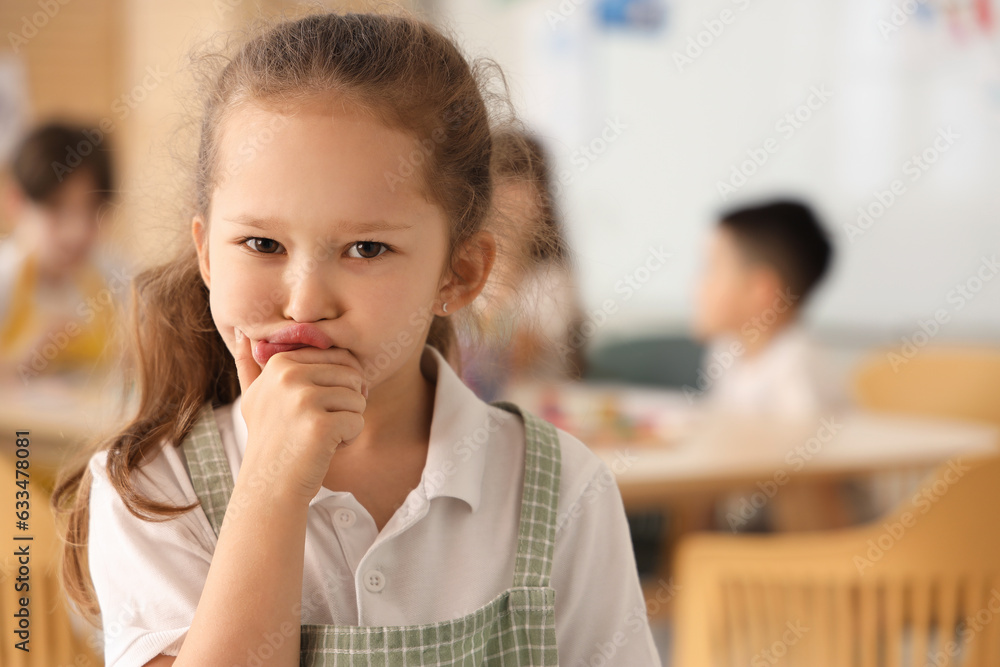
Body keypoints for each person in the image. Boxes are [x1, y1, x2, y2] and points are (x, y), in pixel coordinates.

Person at [51, 11, 661, 667]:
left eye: (366, 248)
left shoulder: (562, 489)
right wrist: (271, 486)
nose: (306, 298)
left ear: (458, 274)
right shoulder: (151, 487)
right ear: (207, 255)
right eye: (262, 243)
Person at [458, 130, 586, 401]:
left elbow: (508, 359)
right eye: (499, 179)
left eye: (519, 180)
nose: (506, 193)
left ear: (542, 200)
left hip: (539, 408)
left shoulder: (553, 281)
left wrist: (508, 257)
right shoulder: (463, 272)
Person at [691, 199, 842, 416]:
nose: (698, 288)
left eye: (712, 269)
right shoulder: (726, 351)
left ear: (759, 291)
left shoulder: (799, 371)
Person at [0, 122, 123, 381]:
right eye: (56, 208)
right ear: (16, 202)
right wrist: (21, 362)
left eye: (92, 210)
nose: (76, 231)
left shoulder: (114, 277)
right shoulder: (5, 278)